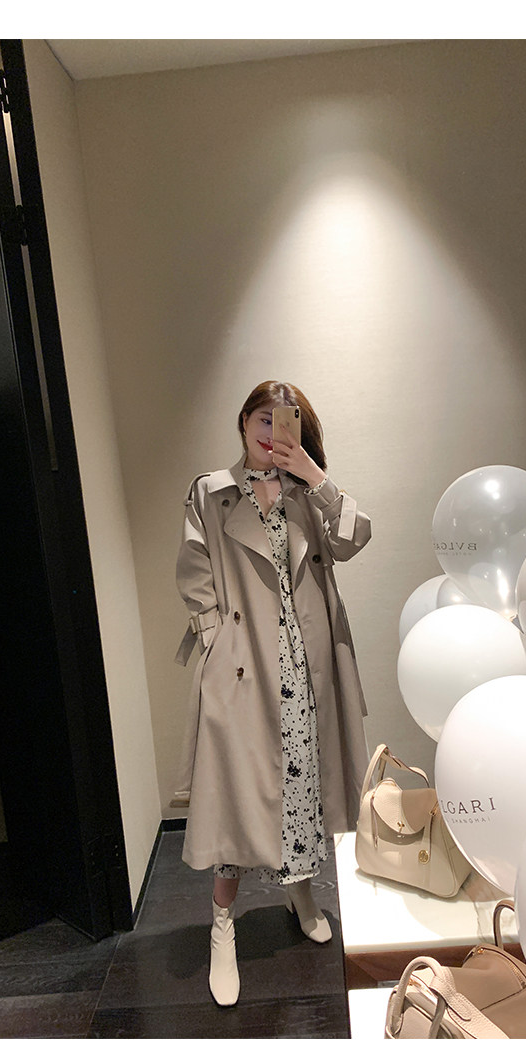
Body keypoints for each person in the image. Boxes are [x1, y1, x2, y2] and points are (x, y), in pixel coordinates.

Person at [174, 380, 371, 1006]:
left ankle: (300, 891)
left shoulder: (308, 493)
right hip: (243, 664)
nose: (272, 432)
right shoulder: (212, 491)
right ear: (243, 422)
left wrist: (317, 476)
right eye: (263, 419)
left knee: (303, 788)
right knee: (237, 797)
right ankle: (222, 928)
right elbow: (194, 570)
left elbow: (355, 539)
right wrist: (215, 640)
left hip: (306, 664)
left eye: (285, 422)